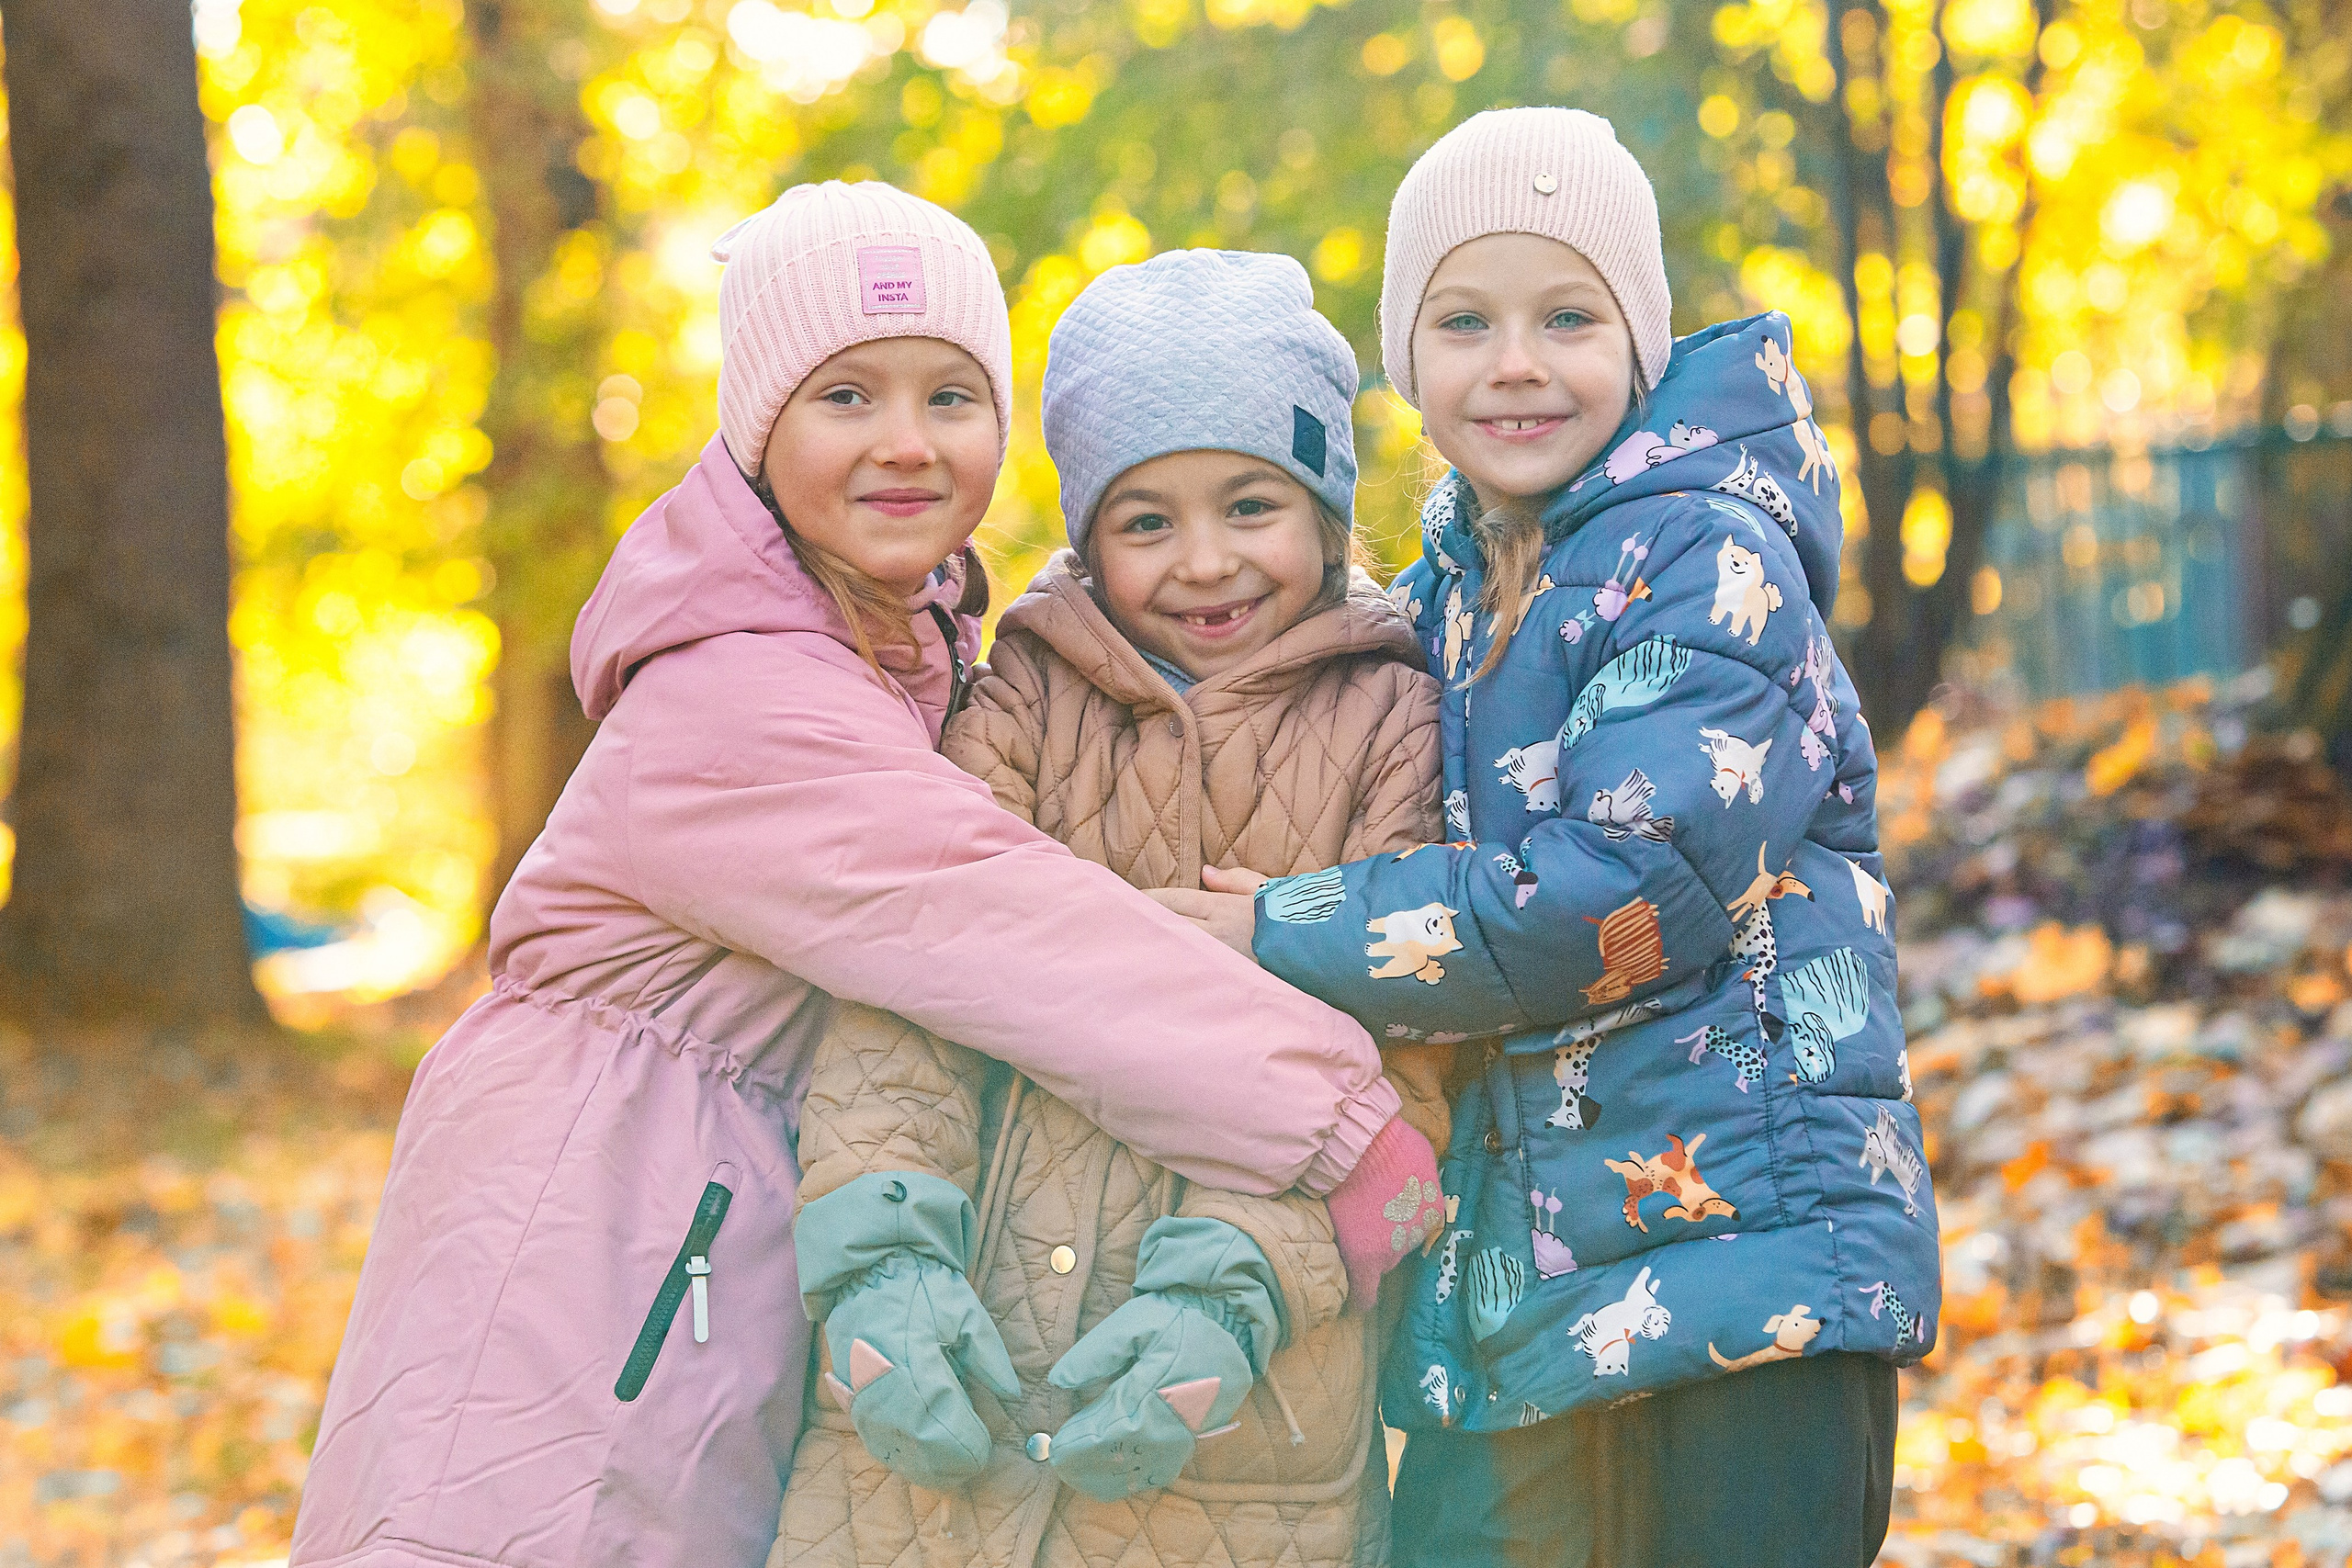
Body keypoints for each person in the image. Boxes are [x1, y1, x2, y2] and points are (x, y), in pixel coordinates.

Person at [288, 185, 1418, 1568]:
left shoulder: (898, 648)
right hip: (598, 1228)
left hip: (702, 1242)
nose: (905, 442)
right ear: (760, 428)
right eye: (845, 397)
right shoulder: (746, 692)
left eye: (950, 396)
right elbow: (995, 924)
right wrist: (1352, 1121)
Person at [1158, 108, 1942, 1567]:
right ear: (1406, 358)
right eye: (1465, 319)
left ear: (1640, 338)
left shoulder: (1707, 554)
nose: (1515, 360)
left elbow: (1634, 890)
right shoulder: (1448, 590)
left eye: (1566, 315)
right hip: (1519, 1285)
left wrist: (1286, 927)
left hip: (1748, 1263)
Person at [772, 249, 1450, 1568]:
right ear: (1088, 535)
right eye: (1146, 523)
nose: (1205, 564)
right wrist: (880, 1252)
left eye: (1251, 505)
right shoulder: (1022, 693)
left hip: (1240, 1433)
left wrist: (1234, 1290)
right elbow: (910, 970)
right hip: (958, 1379)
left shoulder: (1395, 719)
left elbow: (1406, 1059)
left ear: (1325, 509)